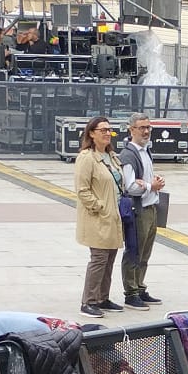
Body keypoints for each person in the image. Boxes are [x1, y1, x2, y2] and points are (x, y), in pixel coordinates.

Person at [72, 116, 123, 317]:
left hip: (114, 215)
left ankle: (102, 297)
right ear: (91, 133)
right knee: (99, 259)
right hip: (99, 217)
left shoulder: (111, 156)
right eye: (102, 130)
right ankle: (89, 301)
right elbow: (82, 190)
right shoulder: (87, 158)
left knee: (109, 258)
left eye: (108, 130)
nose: (106, 133)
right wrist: (99, 206)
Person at [116, 114, 167, 309]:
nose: (146, 131)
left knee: (145, 252)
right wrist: (149, 186)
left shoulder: (146, 151)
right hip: (139, 210)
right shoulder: (129, 156)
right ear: (131, 130)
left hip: (151, 207)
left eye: (148, 127)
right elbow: (130, 186)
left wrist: (152, 183)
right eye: (141, 127)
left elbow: (144, 182)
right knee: (134, 252)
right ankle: (131, 292)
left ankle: (139, 286)